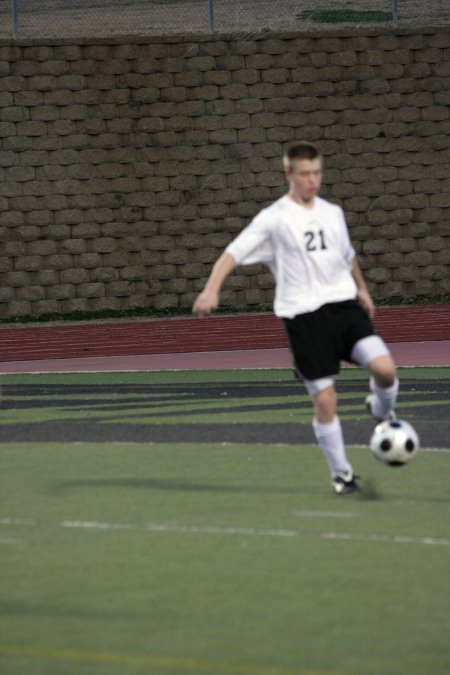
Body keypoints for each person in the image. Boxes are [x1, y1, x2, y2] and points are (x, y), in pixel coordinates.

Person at [192, 142, 398, 495]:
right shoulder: (273, 218)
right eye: (304, 174)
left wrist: (361, 290)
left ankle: (381, 411)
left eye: (317, 172)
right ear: (289, 174)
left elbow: (347, 255)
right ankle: (342, 475)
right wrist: (212, 290)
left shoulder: (332, 212)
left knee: (385, 369)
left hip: (343, 306)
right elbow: (231, 254)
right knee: (325, 401)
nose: (312, 180)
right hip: (302, 317)